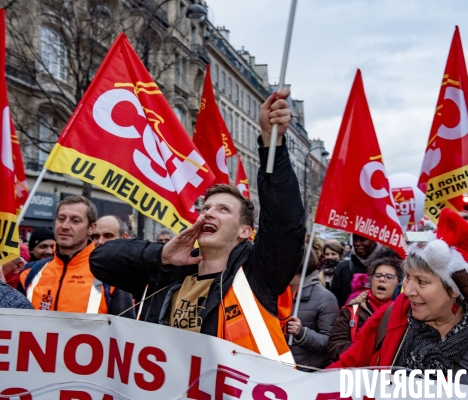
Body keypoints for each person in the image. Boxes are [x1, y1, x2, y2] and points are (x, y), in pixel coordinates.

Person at [90, 89, 306, 363]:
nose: (208, 214)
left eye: (223, 209)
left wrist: (270, 141)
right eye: (205, 209)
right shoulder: (170, 273)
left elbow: (286, 222)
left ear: (244, 232)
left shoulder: (256, 276)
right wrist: (161, 256)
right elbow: (100, 260)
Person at [329, 209, 468, 396]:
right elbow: (343, 375)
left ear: (454, 290)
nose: (408, 291)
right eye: (408, 278)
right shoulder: (391, 315)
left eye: (421, 282)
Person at [20, 196, 135, 317]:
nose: (65, 226)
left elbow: (126, 331)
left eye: (75, 221)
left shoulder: (112, 277)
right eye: (61, 219)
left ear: (91, 228)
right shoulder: (30, 272)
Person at [328, 257, 401, 362]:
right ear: (371, 280)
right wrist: (366, 348)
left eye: (389, 277)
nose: (382, 279)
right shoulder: (351, 311)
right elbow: (334, 348)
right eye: (378, 275)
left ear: (399, 282)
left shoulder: (406, 314)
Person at [287, 249, 339, 371]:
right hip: (280, 369)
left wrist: (302, 333)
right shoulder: (276, 294)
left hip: (308, 374)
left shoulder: (325, 298)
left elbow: (330, 343)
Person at [331, 233, 389, 307]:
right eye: (354, 239)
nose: (357, 243)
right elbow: (335, 303)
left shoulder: (390, 268)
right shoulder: (342, 268)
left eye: (363, 239)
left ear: (374, 240)